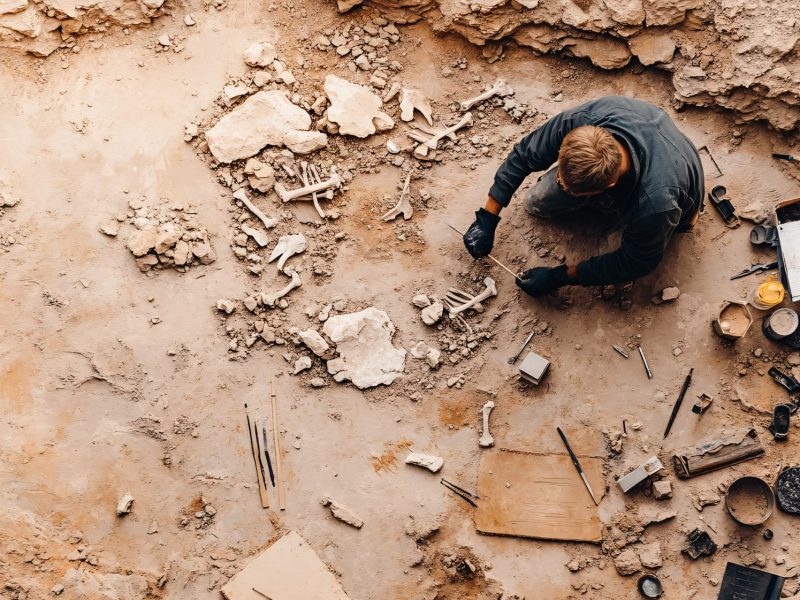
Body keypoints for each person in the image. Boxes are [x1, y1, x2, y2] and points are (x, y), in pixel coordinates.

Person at [463, 96, 704, 299]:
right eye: (560, 179)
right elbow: (523, 156)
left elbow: (637, 261)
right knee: (536, 200)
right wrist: (487, 217)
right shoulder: (584, 122)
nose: (560, 185)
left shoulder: (657, 204)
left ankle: (616, 220)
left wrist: (559, 277)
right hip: (641, 144)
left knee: (613, 251)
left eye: (570, 189)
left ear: (608, 186)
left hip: (675, 192)